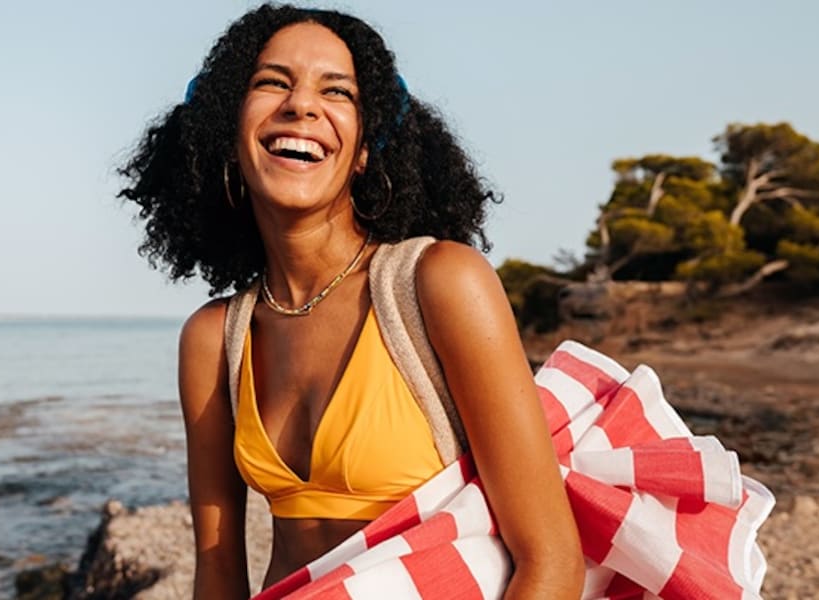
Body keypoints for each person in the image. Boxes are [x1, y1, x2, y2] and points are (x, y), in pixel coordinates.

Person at [120, 5, 584, 598]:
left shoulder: (439, 284)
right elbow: (217, 573)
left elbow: (552, 561)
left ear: (365, 149)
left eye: (336, 91)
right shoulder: (214, 339)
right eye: (271, 82)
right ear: (227, 134)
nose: (301, 105)